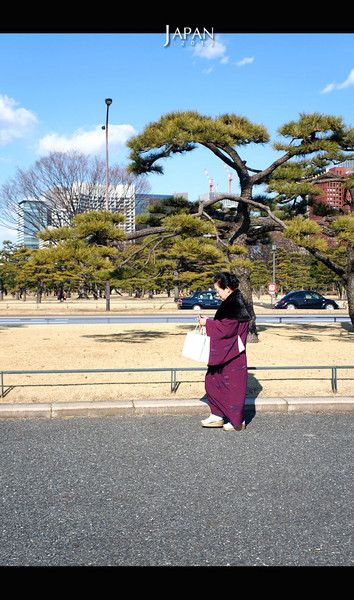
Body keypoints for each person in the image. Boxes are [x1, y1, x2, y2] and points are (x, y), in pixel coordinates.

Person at [198, 271, 251, 431]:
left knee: (232, 386)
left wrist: (207, 323)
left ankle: (237, 422)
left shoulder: (236, 305)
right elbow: (225, 326)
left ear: (227, 288)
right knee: (213, 381)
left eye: (218, 290)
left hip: (233, 355)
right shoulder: (232, 302)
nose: (217, 294)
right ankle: (217, 416)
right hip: (226, 353)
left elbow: (227, 330)